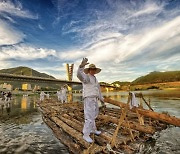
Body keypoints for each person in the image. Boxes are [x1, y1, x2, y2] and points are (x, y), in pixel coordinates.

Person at [77, 58, 105, 143]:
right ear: (89, 70)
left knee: (94, 115)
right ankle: (85, 134)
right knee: (89, 116)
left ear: (95, 70)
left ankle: (93, 129)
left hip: (95, 99)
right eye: (91, 69)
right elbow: (79, 75)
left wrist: (102, 100)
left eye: (94, 69)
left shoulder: (95, 79)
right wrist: (81, 66)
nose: (92, 70)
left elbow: (98, 91)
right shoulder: (87, 78)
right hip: (88, 98)